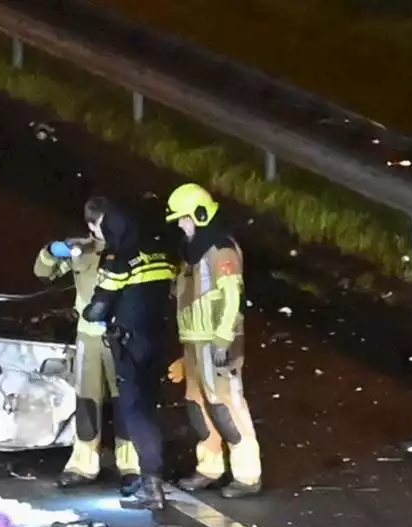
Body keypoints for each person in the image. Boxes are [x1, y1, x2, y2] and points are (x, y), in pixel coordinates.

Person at [164, 183, 262, 498]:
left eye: (184, 218)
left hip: (217, 341)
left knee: (227, 408)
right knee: (198, 408)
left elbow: (233, 296)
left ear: (200, 214)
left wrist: (221, 339)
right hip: (194, 340)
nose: (180, 224)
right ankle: (209, 467)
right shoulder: (189, 251)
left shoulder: (221, 249)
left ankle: (248, 476)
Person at [81, 196, 177, 510]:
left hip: (129, 343)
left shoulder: (119, 257)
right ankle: (154, 477)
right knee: (149, 406)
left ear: (102, 223)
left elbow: (98, 308)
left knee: (135, 412)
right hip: (157, 339)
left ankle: (151, 487)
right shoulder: (158, 253)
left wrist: (90, 312)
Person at [34, 236, 140, 491]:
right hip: (87, 336)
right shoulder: (82, 250)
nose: (97, 231)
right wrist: (51, 250)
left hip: (120, 335)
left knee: (126, 401)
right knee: (87, 401)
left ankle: (132, 466)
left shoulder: (129, 248)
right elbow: (44, 274)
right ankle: (83, 464)